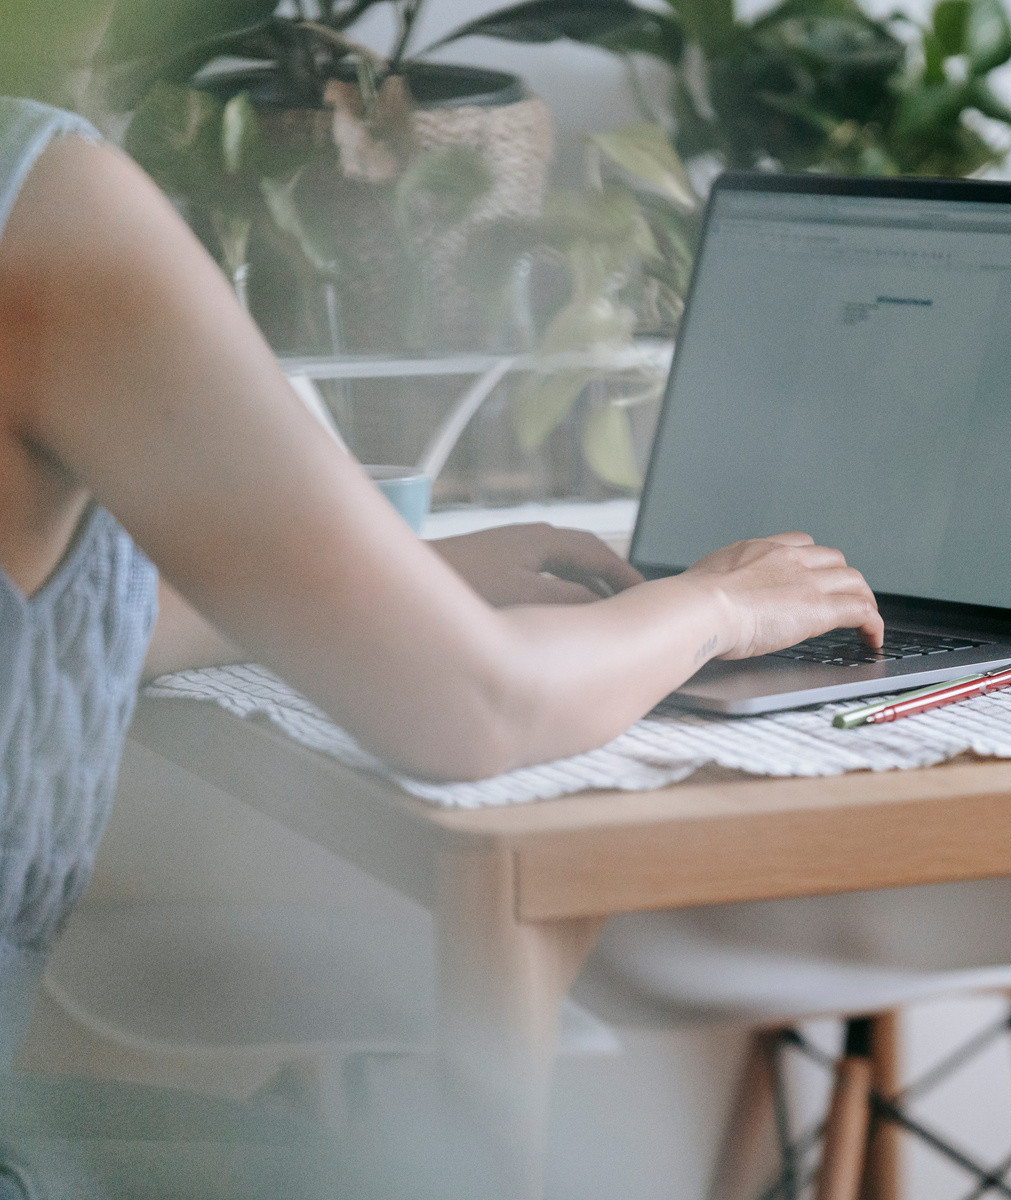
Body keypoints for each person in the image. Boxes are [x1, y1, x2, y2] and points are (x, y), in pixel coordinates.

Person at [0, 87, 881, 1194]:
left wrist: (382, 591)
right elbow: (480, 712)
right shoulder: (43, 199)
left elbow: (46, 646)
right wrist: (721, 606)